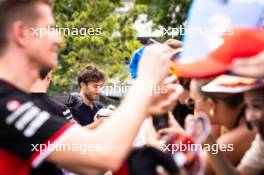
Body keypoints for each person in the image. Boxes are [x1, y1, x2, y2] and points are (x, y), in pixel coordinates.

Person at [0, 0, 178, 174]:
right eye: (50, 29)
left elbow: (91, 165)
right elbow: (102, 155)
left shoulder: (16, 101)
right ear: (21, 33)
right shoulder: (6, 104)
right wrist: (146, 80)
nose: (59, 39)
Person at [189, 78, 256, 175]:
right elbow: (196, 148)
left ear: (211, 104)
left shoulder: (248, 130)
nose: (195, 109)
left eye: (193, 102)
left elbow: (196, 167)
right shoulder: (222, 122)